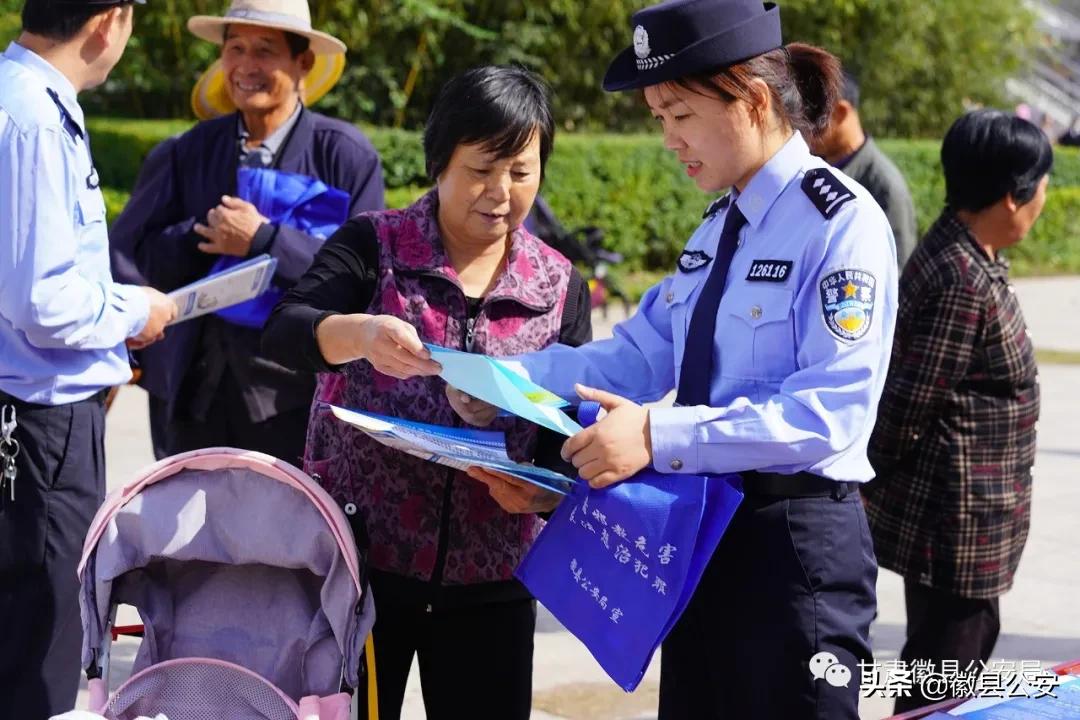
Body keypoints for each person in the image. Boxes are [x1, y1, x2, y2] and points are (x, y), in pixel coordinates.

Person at [442, 1, 899, 717]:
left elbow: (829, 413)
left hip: (793, 554)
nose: (668, 140)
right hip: (699, 540)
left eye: (679, 116)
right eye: (659, 118)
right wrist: (503, 381)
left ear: (750, 99)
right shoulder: (719, 224)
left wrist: (656, 436)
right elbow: (637, 354)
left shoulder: (839, 224)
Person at [262, 65, 592, 719]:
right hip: (363, 572)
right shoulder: (373, 245)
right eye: (481, 169)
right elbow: (285, 332)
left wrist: (543, 487)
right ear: (440, 160)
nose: (500, 193)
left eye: (521, 172)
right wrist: (356, 334)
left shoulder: (558, 286)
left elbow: (573, 425)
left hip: (493, 578)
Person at [110, 0, 384, 465]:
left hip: (299, 398)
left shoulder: (346, 157)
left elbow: (371, 276)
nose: (244, 66)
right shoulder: (188, 150)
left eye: (264, 51)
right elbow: (132, 252)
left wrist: (265, 240)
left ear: (304, 62)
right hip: (193, 390)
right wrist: (204, 235)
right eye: (234, 48)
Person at [0, 1, 177, 716]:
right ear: (111, 21)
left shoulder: (22, 99)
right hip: (41, 424)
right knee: (37, 645)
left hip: (33, 418)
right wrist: (137, 310)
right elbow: (42, 302)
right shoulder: (35, 118)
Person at [861, 109, 1050, 714]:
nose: (1044, 196)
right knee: (941, 681)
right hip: (957, 530)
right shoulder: (960, 278)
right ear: (1012, 196)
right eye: (1040, 184)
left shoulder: (964, 253)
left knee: (941, 670)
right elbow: (906, 405)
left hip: (971, 525)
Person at [809, 70, 919, 267]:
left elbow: (899, 267)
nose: (806, 129)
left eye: (813, 118)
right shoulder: (811, 169)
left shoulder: (885, 185)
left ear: (841, 112)